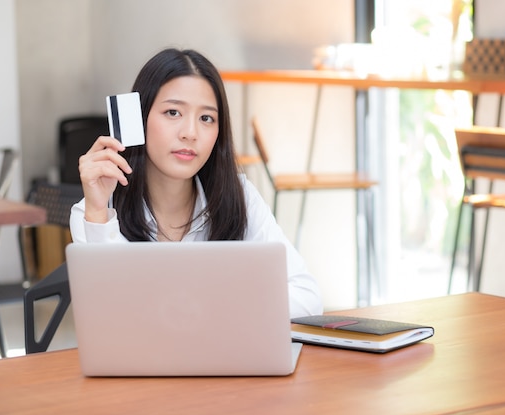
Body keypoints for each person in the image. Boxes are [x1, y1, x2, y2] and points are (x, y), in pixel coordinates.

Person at [70, 48, 323, 318]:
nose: (190, 133)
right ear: (139, 118)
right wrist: (98, 215)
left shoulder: (239, 196)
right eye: (173, 113)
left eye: (206, 118)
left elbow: (307, 297)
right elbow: (113, 312)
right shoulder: (93, 213)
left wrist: (209, 310)